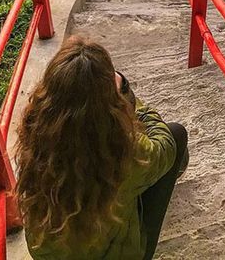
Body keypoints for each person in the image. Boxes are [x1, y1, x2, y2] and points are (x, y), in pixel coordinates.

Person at [16, 36, 188, 260]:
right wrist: (127, 98)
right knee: (175, 134)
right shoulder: (124, 152)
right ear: (108, 100)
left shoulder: (35, 134)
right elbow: (164, 146)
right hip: (118, 254)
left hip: (52, 253)